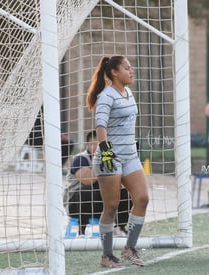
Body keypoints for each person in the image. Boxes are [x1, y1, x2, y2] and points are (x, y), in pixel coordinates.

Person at [86, 55, 149, 268]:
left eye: (131, 68)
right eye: (127, 68)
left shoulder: (129, 93)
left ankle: (129, 249)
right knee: (111, 207)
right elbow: (100, 126)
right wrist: (106, 153)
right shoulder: (106, 96)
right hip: (110, 157)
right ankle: (106, 255)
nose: (131, 71)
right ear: (114, 72)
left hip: (131, 156)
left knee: (142, 199)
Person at [63, 130, 132, 236]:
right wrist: (103, 164)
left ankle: (119, 227)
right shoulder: (80, 159)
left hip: (98, 198)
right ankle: (83, 228)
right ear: (90, 145)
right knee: (88, 191)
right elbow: (87, 180)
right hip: (76, 201)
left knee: (123, 192)